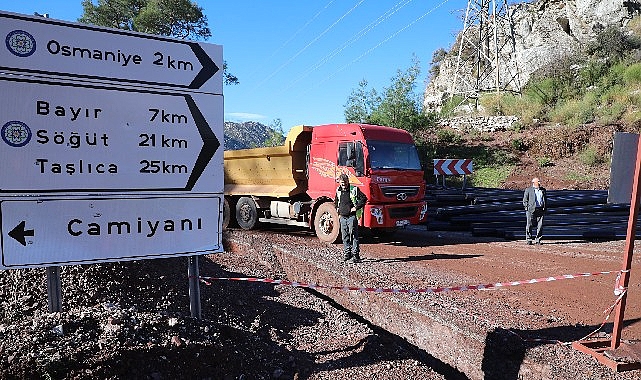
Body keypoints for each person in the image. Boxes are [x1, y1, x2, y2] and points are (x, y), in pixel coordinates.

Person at [334, 173, 368, 262]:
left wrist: (356, 208)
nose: (343, 184)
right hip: (342, 217)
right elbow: (336, 201)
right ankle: (347, 254)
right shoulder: (338, 190)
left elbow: (364, 198)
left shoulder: (354, 189)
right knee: (345, 236)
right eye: (342, 183)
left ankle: (356, 256)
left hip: (351, 217)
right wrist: (337, 208)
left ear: (348, 181)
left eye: (345, 182)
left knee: (353, 235)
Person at [522, 177, 548, 245]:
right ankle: (529, 239)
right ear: (533, 183)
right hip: (531, 210)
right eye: (538, 181)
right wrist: (526, 208)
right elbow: (525, 200)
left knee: (540, 225)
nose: (539, 183)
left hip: (540, 209)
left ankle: (538, 239)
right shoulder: (528, 190)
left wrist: (545, 208)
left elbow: (545, 200)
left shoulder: (543, 190)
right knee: (529, 225)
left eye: (539, 181)